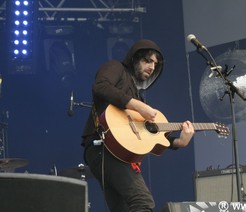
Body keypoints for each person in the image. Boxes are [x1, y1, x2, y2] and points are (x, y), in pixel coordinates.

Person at [81, 39, 195, 211]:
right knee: (143, 201)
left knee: (125, 208)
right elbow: (101, 86)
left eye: (155, 64)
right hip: (104, 145)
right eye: (147, 61)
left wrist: (179, 142)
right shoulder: (116, 67)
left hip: (116, 152)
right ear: (134, 59)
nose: (152, 67)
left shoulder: (137, 95)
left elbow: (151, 135)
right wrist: (137, 105)